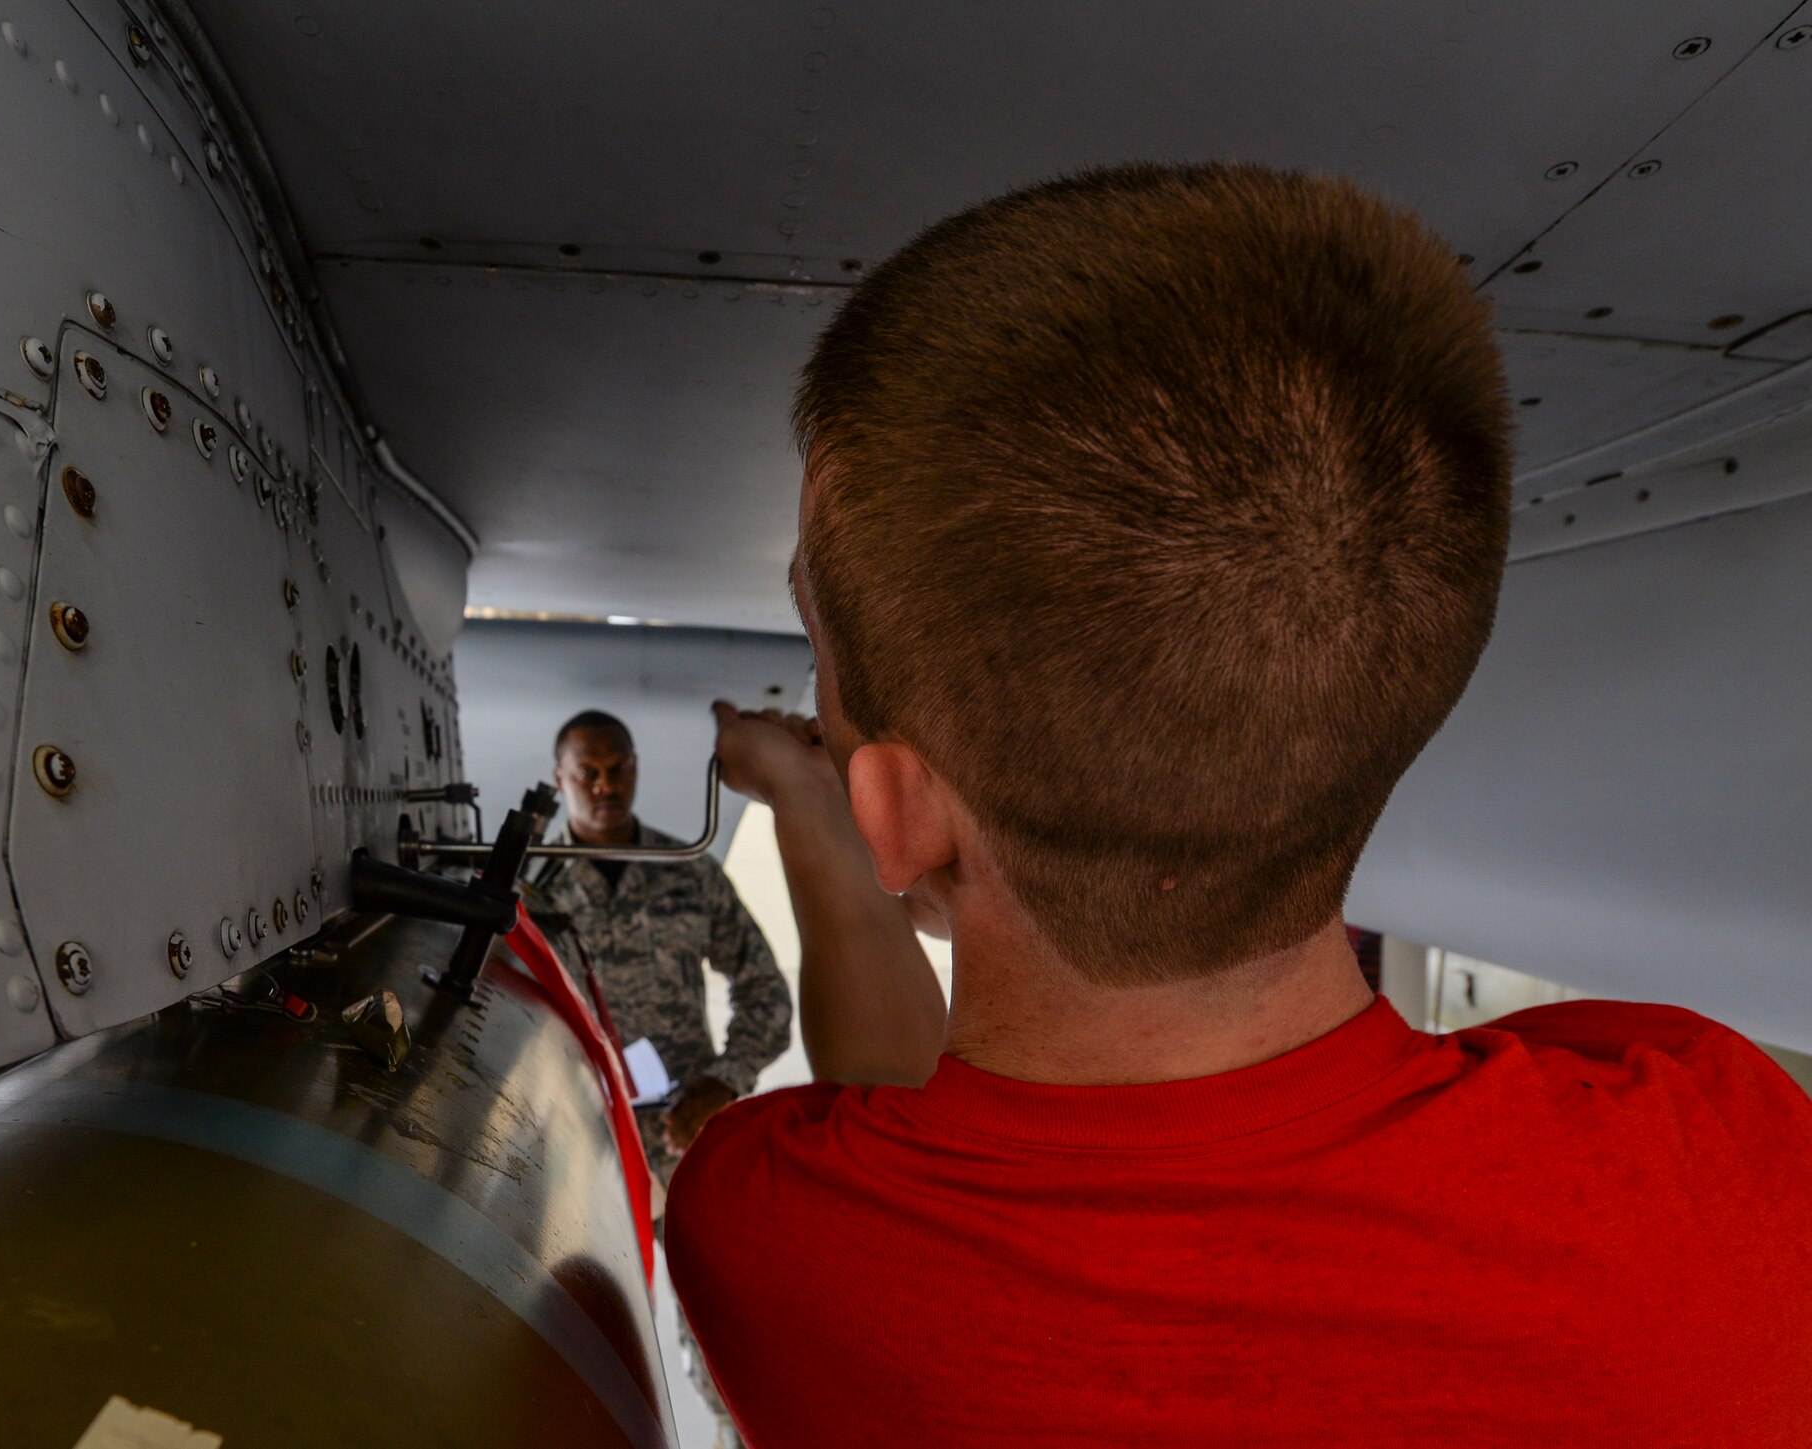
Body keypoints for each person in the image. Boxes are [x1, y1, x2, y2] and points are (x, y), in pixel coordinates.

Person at [663, 164, 1812, 1446]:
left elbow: (912, 1150)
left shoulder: (762, 1236)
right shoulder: (1726, 1156)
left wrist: (806, 815)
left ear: (895, 810)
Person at [528, 708, 791, 1448]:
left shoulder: (688, 873)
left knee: (727, 1347)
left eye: (619, 769)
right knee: (573, 1348)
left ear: (637, 768)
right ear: (560, 779)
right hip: (578, 1154)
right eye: (589, 772)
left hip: (683, 1145)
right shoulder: (530, 891)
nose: (606, 786)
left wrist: (725, 1080)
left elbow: (768, 992)